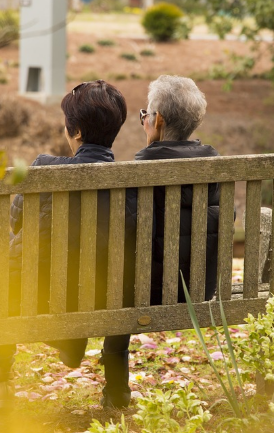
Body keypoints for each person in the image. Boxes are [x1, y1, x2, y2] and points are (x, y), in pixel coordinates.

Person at [0, 80, 128, 382]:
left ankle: (0, 384)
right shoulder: (130, 180)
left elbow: (17, 221)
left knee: (7, 253)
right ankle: (107, 381)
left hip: (40, 295)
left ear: (77, 133)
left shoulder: (45, 167)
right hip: (106, 295)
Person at [100, 74, 222, 409]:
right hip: (199, 288)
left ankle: (117, 393)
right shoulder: (214, 165)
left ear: (160, 121)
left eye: (145, 115)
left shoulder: (141, 170)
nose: (144, 121)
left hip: (144, 292)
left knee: (119, 290)